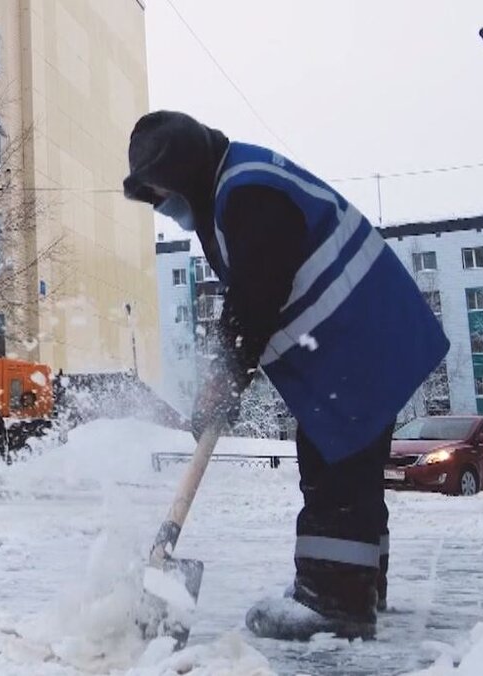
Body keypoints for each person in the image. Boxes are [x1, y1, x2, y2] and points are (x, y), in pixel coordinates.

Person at [123, 111, 449, 641]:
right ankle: (359, 584)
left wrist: (223, 381)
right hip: (363, 338)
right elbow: (247, 302)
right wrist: (219, 382)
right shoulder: (234, 188)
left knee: (332, 465)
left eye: (164, 191)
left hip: (359, 338)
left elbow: (255, 299)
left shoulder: (248, 192)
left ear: (186, 169)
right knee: (347, 461)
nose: (164, 206)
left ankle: (334, 602)